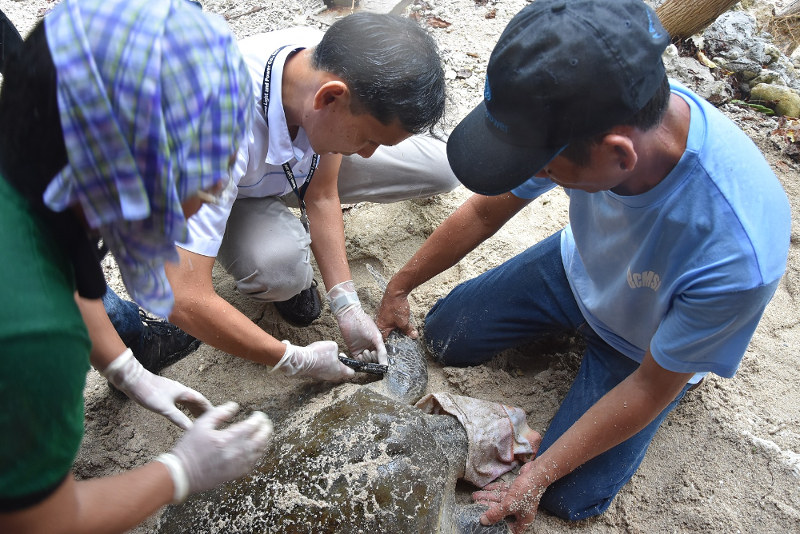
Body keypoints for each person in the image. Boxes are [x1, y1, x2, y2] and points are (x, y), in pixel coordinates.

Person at [375, 0, 791, 532]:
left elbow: (650, 387)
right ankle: (567, 332)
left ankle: (629, 363)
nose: (536, 174)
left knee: (567, 499)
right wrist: (400, 285)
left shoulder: (736, 254)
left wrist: (537, 475)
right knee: (443, 334)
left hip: (646, 348)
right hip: (580, 266)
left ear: (619, 156)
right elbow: (484, 209)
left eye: (546, 169)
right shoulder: (575, 110)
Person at [0, 0, 273, 531]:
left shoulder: (35, 162)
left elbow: (75, 272)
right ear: (127, 174)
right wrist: (179, 471)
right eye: (207, 172)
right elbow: (40, 522)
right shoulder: (37, 336)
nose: (219, 189)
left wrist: (127, 371)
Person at [114, 12, 456, 380]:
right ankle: (259, 243)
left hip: (292, 161)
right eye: (369, 139)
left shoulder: (323, 62)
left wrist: (346, 303)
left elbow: (323, 194)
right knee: (280, 268)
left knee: (445, 168)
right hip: (227, 188)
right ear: (329, 98)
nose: (369, 152)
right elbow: (182, 294)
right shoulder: (214, 130)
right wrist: (292, 359)